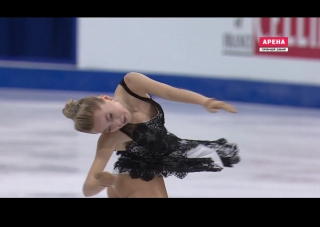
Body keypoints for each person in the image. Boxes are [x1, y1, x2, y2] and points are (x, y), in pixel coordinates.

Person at [62, 72, 240, 198]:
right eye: (108, 128)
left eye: (109, 116)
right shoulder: (112, 138)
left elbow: (169, 92)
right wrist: (103, 181)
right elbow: (87, 189)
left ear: (106, 98)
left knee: (223, 153)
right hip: (136, 174)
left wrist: (205, 101)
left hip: (164, 151)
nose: (116, 124)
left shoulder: (131, 84)